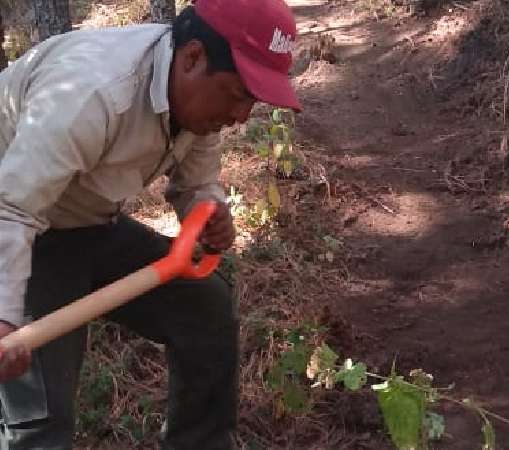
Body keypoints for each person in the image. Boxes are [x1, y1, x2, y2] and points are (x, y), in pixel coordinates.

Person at [0, 0, 300, 448]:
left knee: (206, 310)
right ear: (193, 57)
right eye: (238, 95)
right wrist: (3, 316)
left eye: (251, 101)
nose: (241, 116)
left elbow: (197, 182)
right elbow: (12, 210)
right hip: (17, 228)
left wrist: (208, 212)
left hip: (86, 218)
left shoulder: (197, 103)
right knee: (40, 415)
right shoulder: (92, 93)